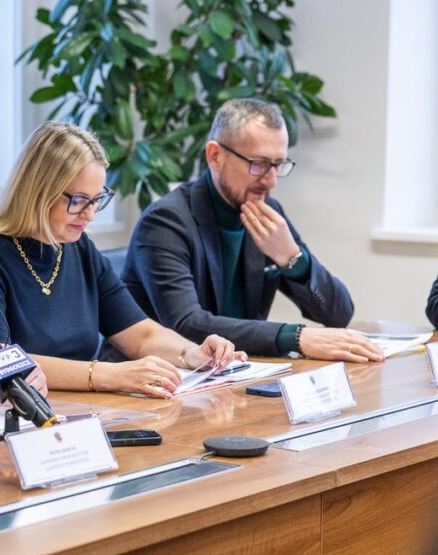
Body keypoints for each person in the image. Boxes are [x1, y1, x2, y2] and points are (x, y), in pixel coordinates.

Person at [0, 122, 244, 398]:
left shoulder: (78, 248)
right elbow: (0, 360)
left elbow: (140, 335)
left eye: (96, 200)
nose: (89, 215)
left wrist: (191, 353)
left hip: (83, 408)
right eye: (79, 201)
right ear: (38, 192)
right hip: (12, 415)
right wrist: (109, 375)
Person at [121, 98, 383, 363]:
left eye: (278, 165)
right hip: (162, 376)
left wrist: (293, 259)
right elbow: (186, 323)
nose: (271, 181)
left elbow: (338, 315)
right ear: (215, 156)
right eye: (258, 163)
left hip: (238, 369)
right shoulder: (165, 221)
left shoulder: (266, 212)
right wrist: (294, 337)